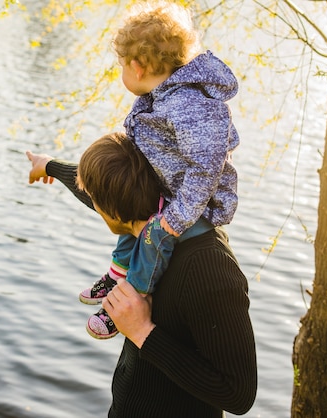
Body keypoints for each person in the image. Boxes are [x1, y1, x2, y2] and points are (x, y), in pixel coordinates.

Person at [25, 132, 257, 417]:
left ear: (109, 209)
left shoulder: (208, 267)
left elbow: (237, 394)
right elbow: (98, 187)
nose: (92, 203)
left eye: (96, 201)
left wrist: (142, 332)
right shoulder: (153, 208)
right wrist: (48, 165)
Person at [77, 1, 241, 339]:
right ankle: (118, 274)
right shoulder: (161, 97)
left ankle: (133, 295)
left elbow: (206, 168)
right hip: (168, 193)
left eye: (121, 66)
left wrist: (177, 217)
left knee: (152, 236)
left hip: (193, 210)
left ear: (136, 67)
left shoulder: (190, 105)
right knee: (128, 222)